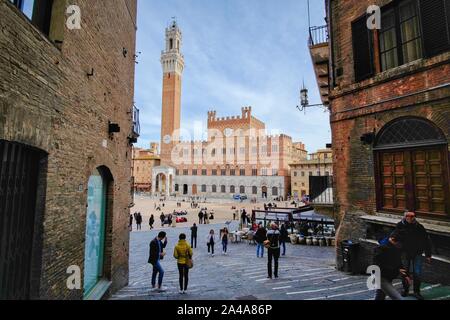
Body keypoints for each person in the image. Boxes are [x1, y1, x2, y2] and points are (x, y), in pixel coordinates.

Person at [393, 211, 432, 300]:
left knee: (417, 273)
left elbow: (426, 240)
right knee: (405, 272)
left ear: (414, 217)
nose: (410, 218)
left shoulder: (419, 227)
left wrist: (428, 255)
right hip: (405, 253)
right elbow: (394, 238)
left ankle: (417, 292)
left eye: (412, 216)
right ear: (404, 216)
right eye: (407, 216)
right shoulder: (400, 226)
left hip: (417, 253)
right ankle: (405, 290)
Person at [374, 235, 408, 300]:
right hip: (380, 277)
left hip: (388, 277)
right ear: (392, 239)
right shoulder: (381, 249)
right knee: (398, 298)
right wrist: (397, 270)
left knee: (380, 296)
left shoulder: (395, 248)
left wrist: (405, 275)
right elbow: (378, 266)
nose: (400, 245)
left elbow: (399, 262)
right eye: (399, 243)